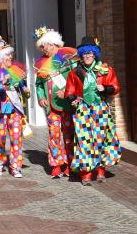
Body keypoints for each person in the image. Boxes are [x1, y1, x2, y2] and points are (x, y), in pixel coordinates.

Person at [65, 36, 121, 185]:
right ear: (81, 55)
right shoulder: (74, 72)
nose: (87, 56)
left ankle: (100, 171)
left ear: (95, 54)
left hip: (100, 109)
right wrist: (73, 99)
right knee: (84, 141)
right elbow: (68, 92)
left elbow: (116, 88)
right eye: (84, 54)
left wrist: (106, 88)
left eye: (90, 53)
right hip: (83, 109)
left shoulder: (105, 70)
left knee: (101, 140)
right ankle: (86, 174)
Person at [33, 26, 78, 178]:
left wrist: (67, 92)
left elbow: (76, 80)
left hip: (66, 104)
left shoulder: (67, 59)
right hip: (51, 106)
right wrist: (40, 97)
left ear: (55, 44)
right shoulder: (40, 64)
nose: (44, 48)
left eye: (47, 45)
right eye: (42, 46)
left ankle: (70, 164)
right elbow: (38, 84)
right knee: (54, 135)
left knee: (68, 134)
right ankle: (56, 165)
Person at [0, 39, 30, 178]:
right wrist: (2, 83)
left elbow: (22, 87)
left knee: (16, 139)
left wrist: (26, 91)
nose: (10, 57)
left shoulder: (16, 71)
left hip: (15, 111)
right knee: (0, 139)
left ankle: (15, 167)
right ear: (0, 57)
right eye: (7, 55)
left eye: (11, 55)